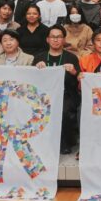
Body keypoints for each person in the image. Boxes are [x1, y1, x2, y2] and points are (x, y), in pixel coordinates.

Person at [33, 25, 82, 154]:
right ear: (47, 39)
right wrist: (36, 70)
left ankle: (64, 142)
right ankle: (42, 142)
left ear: (64, 40)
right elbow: (32, 81)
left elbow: (78, 78)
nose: (55, 39)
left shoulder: (71, 58)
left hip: (66, 94)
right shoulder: (39, 58)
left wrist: (74, 71)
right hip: (43, 94)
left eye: (59, 37)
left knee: (64, 111)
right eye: (53, 37)